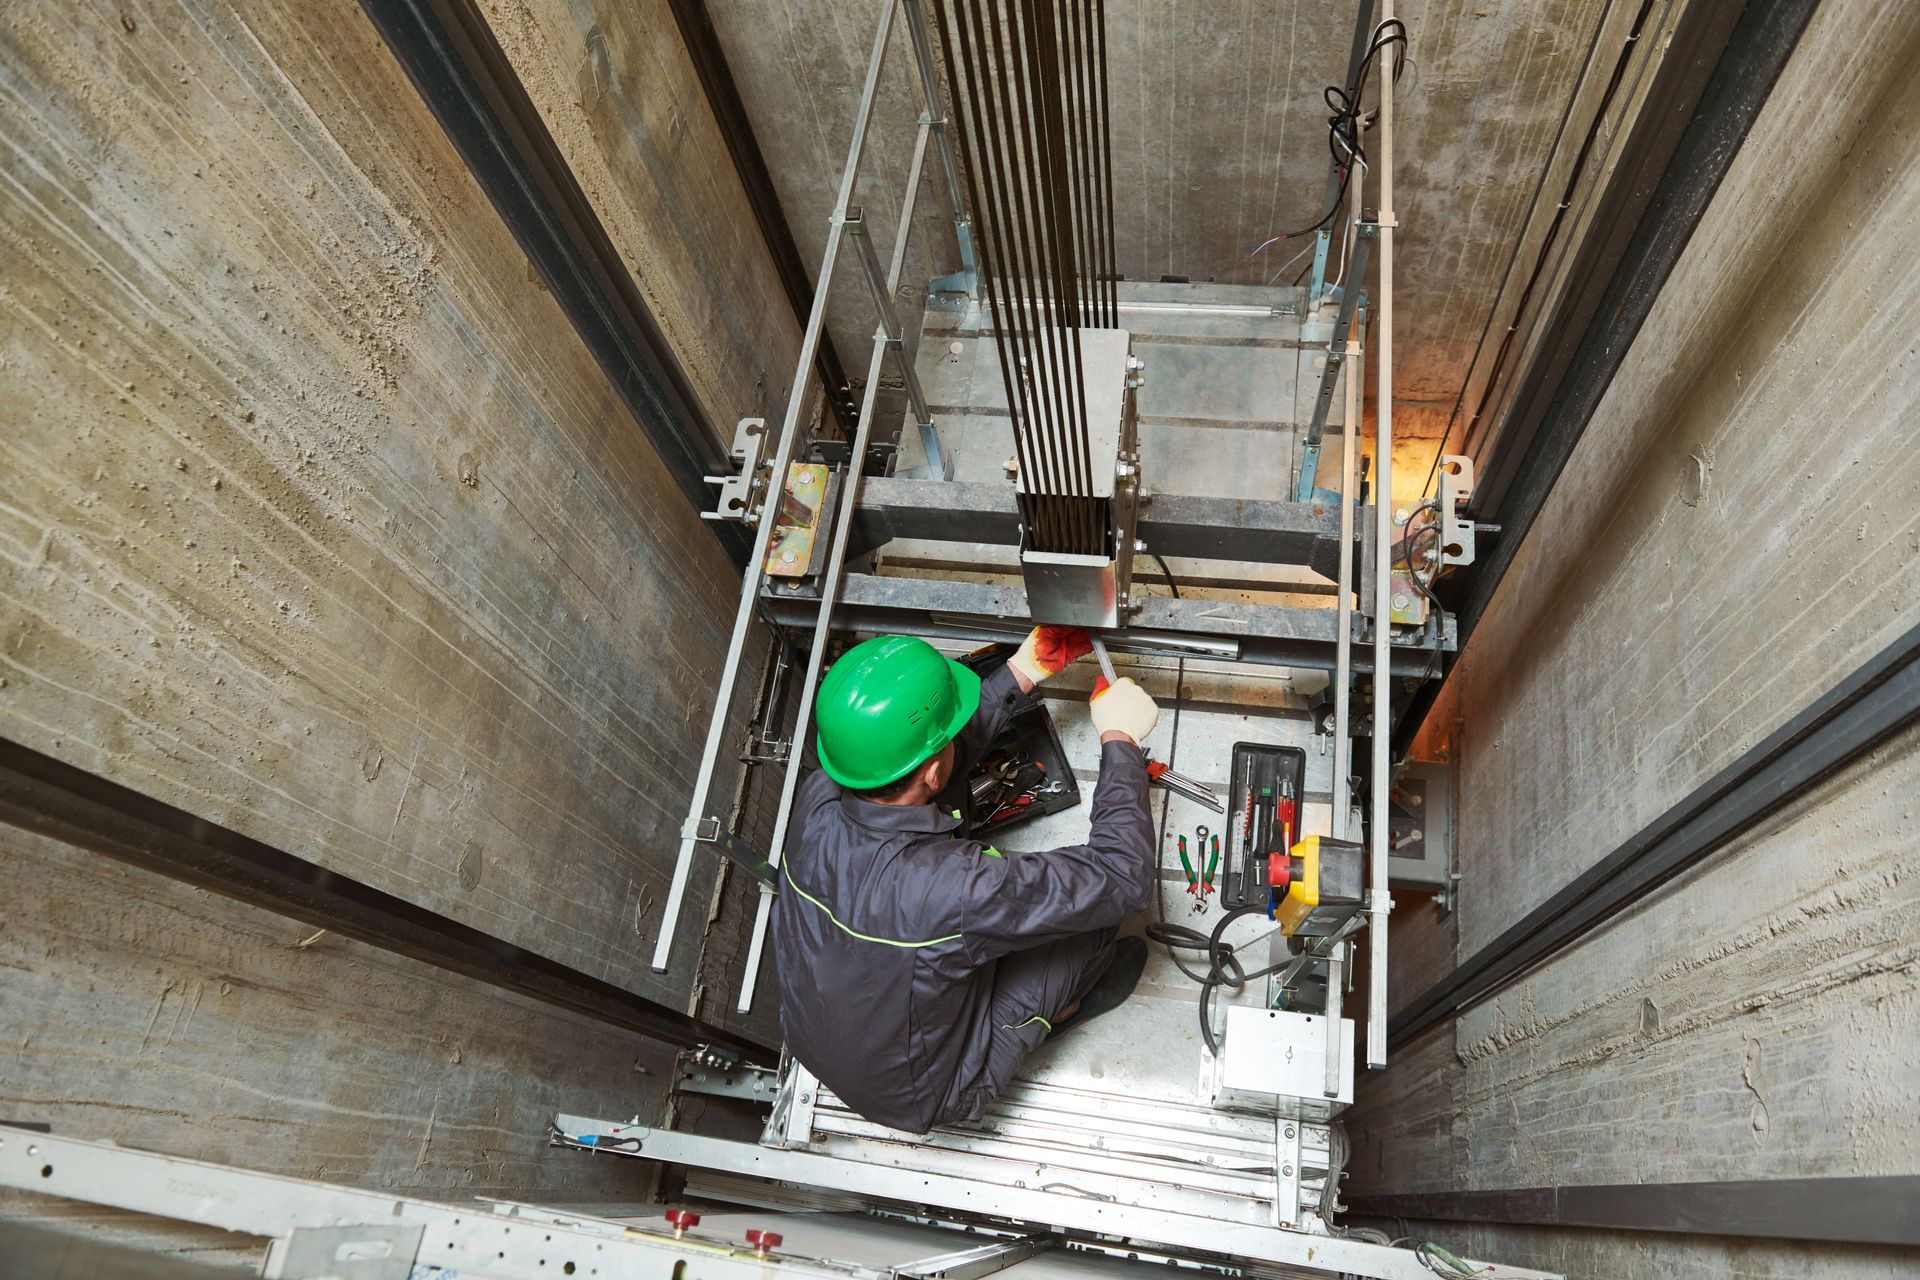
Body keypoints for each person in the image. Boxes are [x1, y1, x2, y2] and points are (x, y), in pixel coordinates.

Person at [771, 627, 1160, 1135]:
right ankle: (1063, 1008)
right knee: (1093, 920)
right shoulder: (950, 886)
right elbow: (1123, 877)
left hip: (815, 1037)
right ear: (932, 770)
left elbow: (921, 764)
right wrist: (1121, 740)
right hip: (927, 1093)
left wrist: (1022, 671)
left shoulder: (822, 790)